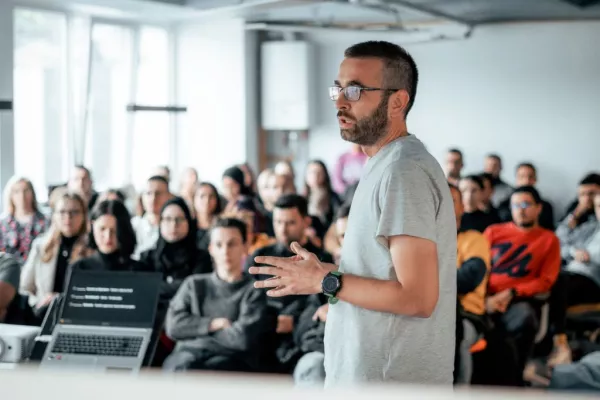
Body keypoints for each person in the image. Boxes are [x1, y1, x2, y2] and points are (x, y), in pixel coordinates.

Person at [250, 41, 457, 386]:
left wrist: (326, 281)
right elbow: (383, 275)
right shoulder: (385, 165)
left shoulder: (403, 171)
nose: (340, 101)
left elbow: (418, 298)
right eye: (338, 88)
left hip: (390, 382)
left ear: (397, 101)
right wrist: (324, 272)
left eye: (356, 90)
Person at [163, 218, 270, 372]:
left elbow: (242, 338)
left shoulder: (253, 290)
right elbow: (173, 326)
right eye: (219, 244)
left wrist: (195, 330)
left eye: (232, 244)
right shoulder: (193, 284)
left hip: (230, 359)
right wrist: (214, 324)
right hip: (186, 356)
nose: (225, 251)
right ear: (211, 248)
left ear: (245, 247)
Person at [20, 192, 90, 319]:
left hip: (79, 316)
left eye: (74, 212)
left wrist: (60, 299)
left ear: (84, 215)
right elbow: (25, 287)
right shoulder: (40, 246)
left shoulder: (92, 248)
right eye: (62, 212)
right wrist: (39, 301)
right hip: (43, 314)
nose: (68, 217)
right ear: (54, 215)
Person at [70, 200, 146, 273]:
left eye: (114, 230)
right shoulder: (79, 269)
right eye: (102, 229)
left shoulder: (140, 270)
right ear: (92, 227)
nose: (108, 236)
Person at [0, 176, 49, 263]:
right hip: (9, 272)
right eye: (16, 192)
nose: (22, 196)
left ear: (32, 193)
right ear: (10, 195)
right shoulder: (3, 224)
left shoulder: (46, 221)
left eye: (26, 191)